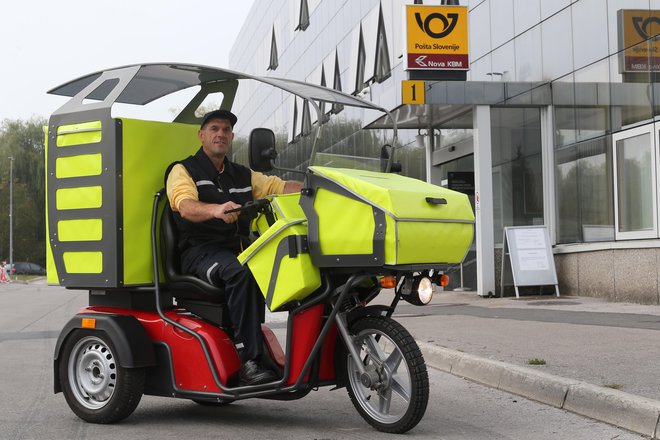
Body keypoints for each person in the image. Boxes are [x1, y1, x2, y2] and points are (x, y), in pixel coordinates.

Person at [166, 109, 302, 386]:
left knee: (287, 263)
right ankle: (247, 359)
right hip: (199, 253)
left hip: (233, 251)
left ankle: (278, 351)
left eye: (226, 130)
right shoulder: (183, 170)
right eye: (214, 128)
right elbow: (184, 206)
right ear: (201, 135)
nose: (221, 134)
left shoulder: (241, 174)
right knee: (241, 271)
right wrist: (215, 210)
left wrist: (319, 186)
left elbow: (278, 186)